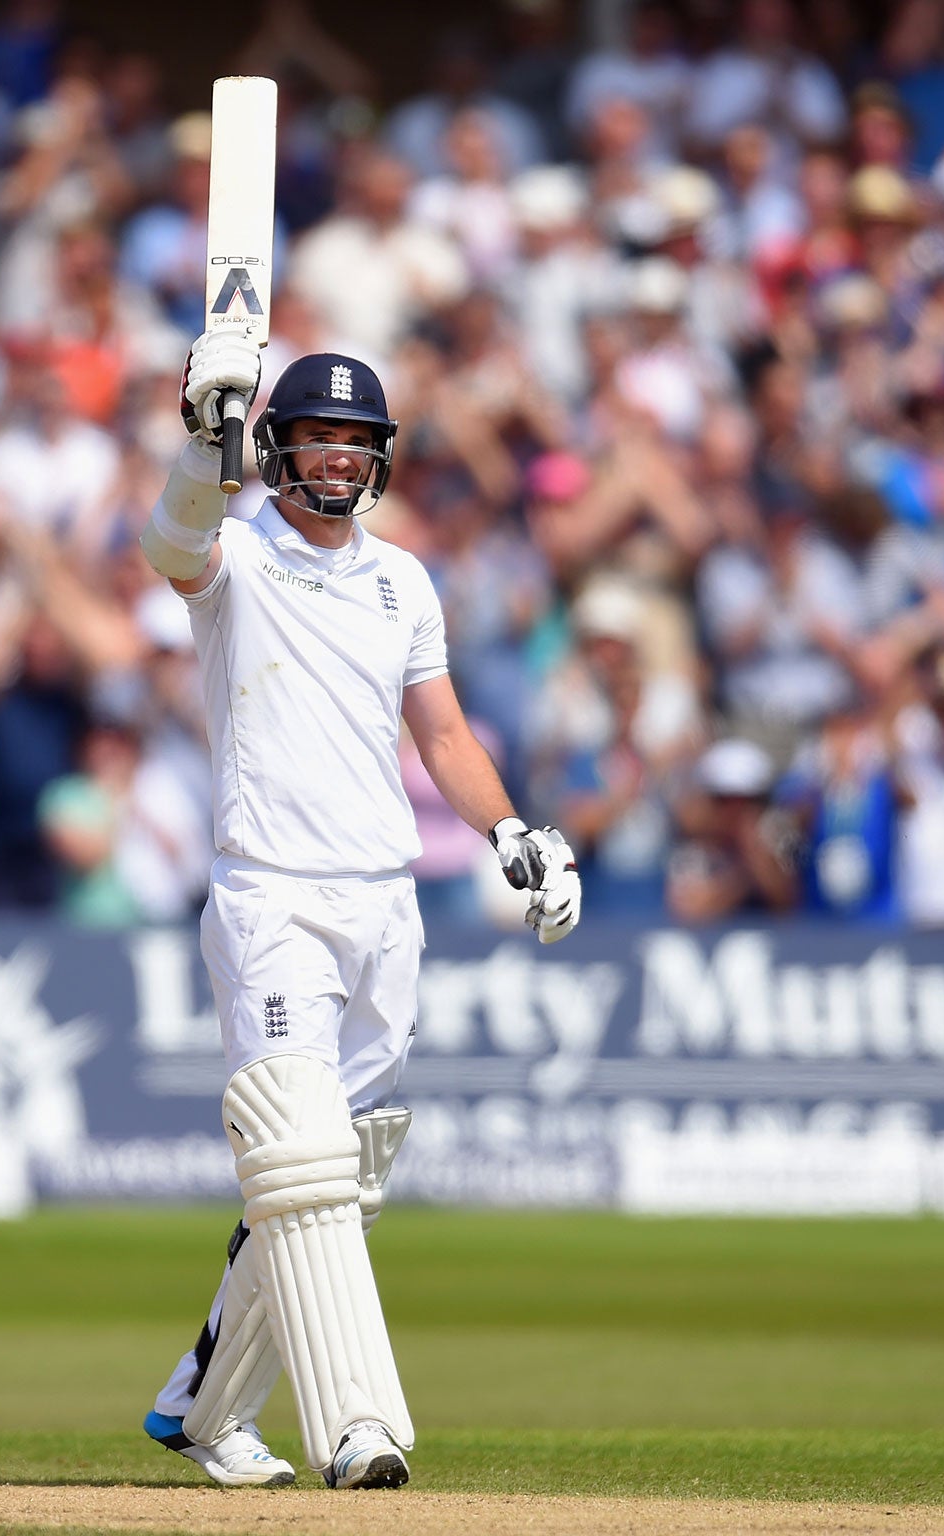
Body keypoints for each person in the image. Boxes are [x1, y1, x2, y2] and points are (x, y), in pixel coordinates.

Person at [135, 338, 582, 1489]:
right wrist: (201, 445)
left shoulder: (402, 582)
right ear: (275, 445)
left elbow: (438, 735)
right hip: (268, 893)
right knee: (302, 1149)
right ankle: (358, 1431)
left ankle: (202, 1407)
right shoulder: (237, 553)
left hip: (385, 904)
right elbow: (169, 547)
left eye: (356, 441)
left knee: (341, 1173)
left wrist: (510, 835)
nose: (336, 457)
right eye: (317, 436)